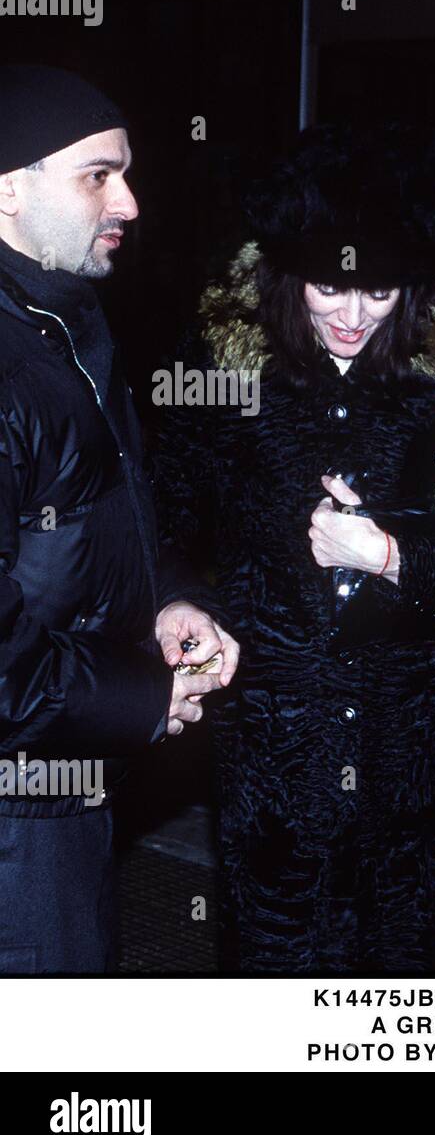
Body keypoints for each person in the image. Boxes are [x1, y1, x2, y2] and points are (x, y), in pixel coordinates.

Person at [150, 125, 435, 972]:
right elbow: (159, 516)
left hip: (413, 747)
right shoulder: (224, 374)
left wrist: (389, 556)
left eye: (378, 292)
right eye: (329, 288)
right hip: (278, 741)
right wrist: (178, 598)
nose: (352, 316)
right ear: (287, 276)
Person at [0, 66, 236, 973]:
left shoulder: (65, 322)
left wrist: (167, 600)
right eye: (99, 175)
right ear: (11, 187)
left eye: (126, 172)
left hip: (62, 777)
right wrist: (141, 696)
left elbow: (105, 514)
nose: (129, 200)